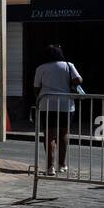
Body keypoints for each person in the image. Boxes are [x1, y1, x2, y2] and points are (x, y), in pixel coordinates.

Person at [33, 44, 82, 176]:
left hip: (47, 103)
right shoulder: (68, 65)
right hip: (66, 105)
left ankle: (50, 167)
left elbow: (36, 88)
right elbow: (79, 80)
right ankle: (62, 165)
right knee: (63, 134)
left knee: (49, 136)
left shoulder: (41, 68)